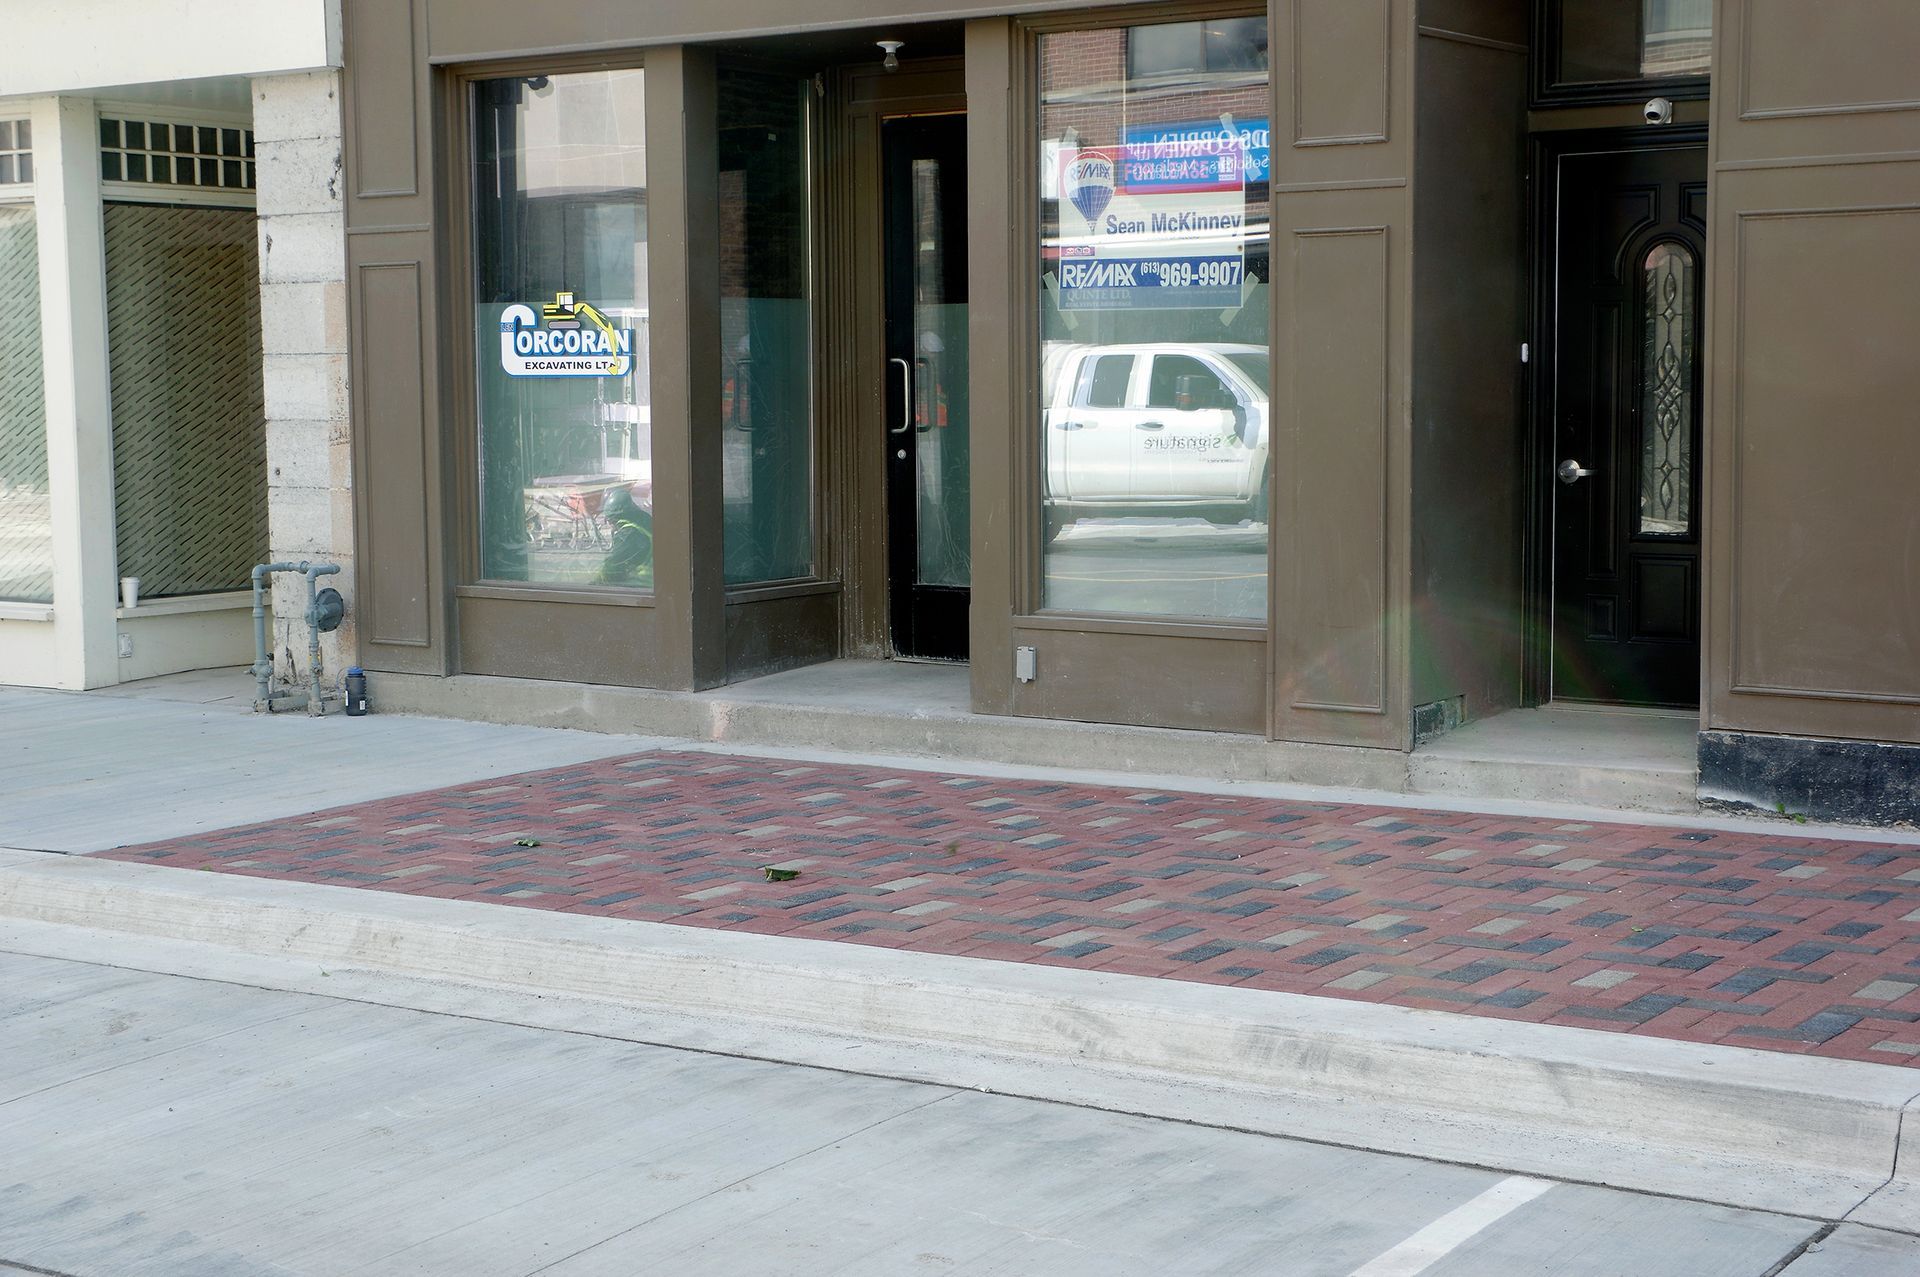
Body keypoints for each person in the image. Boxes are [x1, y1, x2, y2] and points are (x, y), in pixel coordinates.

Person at [596, 486, 653, 585]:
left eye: (607, 519)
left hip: (644, 585)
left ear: (611, 519)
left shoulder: (629, 535)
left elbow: (612, 568)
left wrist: (595, 584)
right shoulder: (644, 519)